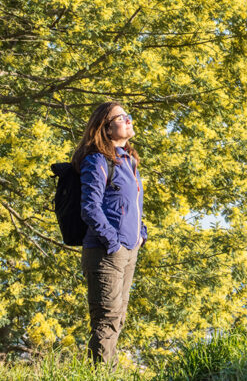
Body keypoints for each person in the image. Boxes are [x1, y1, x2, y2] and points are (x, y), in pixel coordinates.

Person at [70, 101, 147, 365]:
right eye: (122, 117)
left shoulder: (128, 160)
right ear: (106, 127)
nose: (129, 120)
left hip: (128, 250)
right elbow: (90, 207)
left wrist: (141, 234)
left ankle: (106, 372)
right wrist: (113, 242)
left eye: (128, 116)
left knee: (118, 318)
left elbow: (132, 203)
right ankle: (98, 374)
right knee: (106, 320)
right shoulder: (97, 159)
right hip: (105, 252)